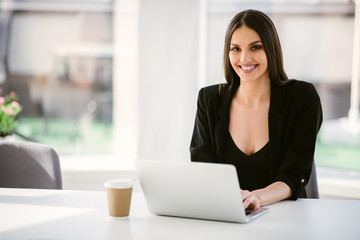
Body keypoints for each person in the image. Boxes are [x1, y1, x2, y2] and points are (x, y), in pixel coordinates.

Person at [190, 9, 323, 211]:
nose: (245, 58)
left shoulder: (302, 98)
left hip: (286, 218)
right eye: (235, 49)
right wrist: (234, 200)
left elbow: (294, 174)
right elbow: (203, 169)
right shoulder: (209, 100)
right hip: (228, 215)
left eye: (255, 47)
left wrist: (255, 198)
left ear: (271, 49)